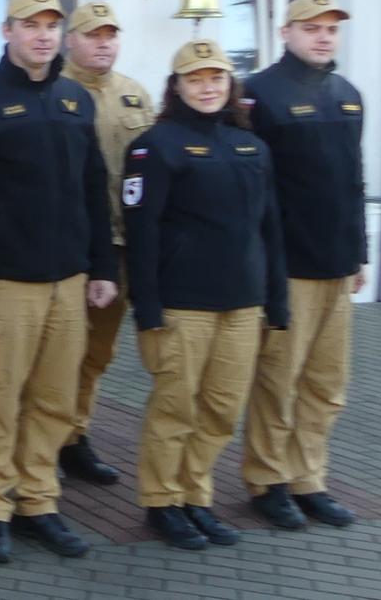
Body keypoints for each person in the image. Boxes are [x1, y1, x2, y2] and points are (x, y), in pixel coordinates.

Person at [0, 0, 117, 564]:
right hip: (4, 282)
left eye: (51, 25)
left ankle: (38, 503)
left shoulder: (76, 100)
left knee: (54, 399)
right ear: (7, 31)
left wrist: (102, 266)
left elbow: (94, 187)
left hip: (69, 280)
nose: (43, 35)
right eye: (30, 25)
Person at [123, 38, 288, 550]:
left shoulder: (251, 147)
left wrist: (277, 301)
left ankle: (196, 497)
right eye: (195, 79)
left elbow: (270, 229)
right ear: (176, 87)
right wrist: (147, 308)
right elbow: (142, 234)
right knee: (175, 409)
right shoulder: (154, 147)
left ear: (229, 83)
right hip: (182, 307)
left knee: (221, 410)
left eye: (216, 77)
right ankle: (162, 502)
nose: (207, 87)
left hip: (243, 304)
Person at [242, 0, 366, 530]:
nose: (323, 37)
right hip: (288, 265)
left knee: (325, 384)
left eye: (331, 29)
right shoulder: (258, 94)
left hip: (337, 265)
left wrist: (359, 254)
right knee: (278, 381)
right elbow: (251, 190)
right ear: (285, 32)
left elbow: (353, 181)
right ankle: (267, 480)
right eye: (312, 28)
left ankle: (308, 478)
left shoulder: (348, 95)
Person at [57, 1, 154, 486]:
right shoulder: (57, 91)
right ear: (70, 40)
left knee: (96, 353)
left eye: (110, 35)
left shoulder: (135, 95)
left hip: (124, 245)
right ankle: (42, 438)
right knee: (58, 352)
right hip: (74, 246)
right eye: (92, 35)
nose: (103, 43)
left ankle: (73, 436)